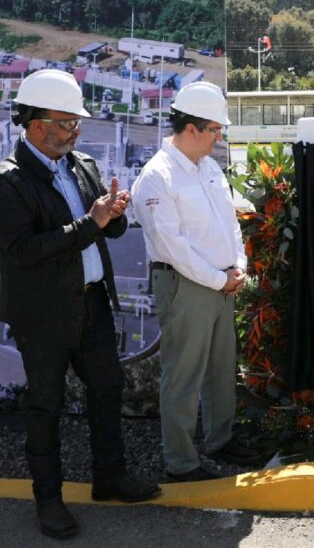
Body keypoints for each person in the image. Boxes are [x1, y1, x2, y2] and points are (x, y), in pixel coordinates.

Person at [0, 69, 161, 540]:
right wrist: (91, 224)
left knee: (107, 389)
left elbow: (103, 231)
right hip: (43, 314)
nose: (76, 131)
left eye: (77, 123)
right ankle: (48, 501)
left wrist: (112, 215)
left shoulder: (83, 165)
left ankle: (109, 478)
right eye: (67, 122)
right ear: (35, 125)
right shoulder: (8, 183)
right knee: (45, 407)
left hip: (91, 305)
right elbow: (24, 252)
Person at [131, 81, 262, 482]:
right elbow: (173, 247)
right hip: (187, 286)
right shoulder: (158, 176)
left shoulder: (208, 168)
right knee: (184, 375)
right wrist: (218, 279)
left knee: (222, 369)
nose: (218, 137)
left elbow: (230, 224)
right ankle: (182, 461)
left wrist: (237, 266)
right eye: (214, 130)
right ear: (190, 128)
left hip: (221, 283)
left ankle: (220, 440)